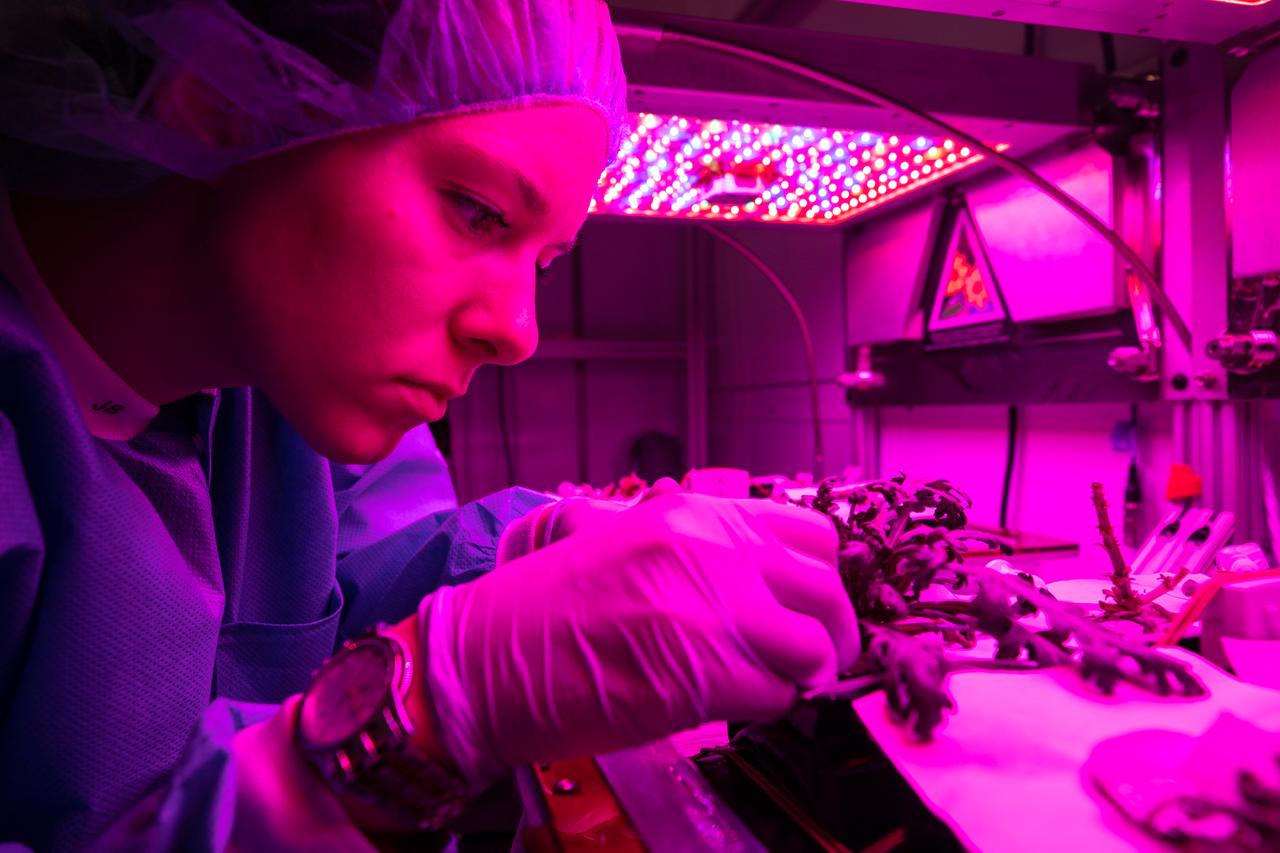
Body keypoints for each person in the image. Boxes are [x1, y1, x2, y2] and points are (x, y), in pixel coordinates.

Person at [0, 1, 859, 849]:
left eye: (544, 264)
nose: (518, 332)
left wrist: (537, 551)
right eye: (478, 210)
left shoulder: (284, 385)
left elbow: (354, 587)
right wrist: (432, 710)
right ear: (218, 97)